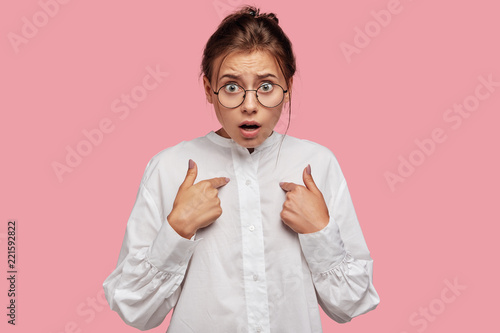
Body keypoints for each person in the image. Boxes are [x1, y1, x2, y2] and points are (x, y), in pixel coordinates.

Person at [103, 6, 379, 333]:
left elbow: (351, 304)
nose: (249, 105)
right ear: (209, 89)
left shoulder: (318, 165)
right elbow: (134, 309)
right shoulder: (168, 168)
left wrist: (320, 232)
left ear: (287, 87)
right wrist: (177, 229)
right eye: (232, 87)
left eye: (266, 86)